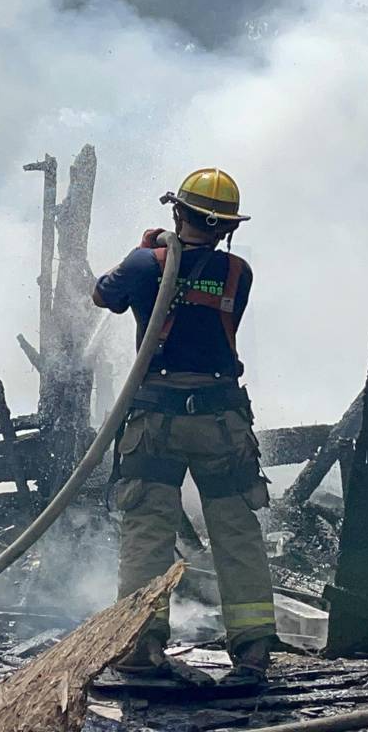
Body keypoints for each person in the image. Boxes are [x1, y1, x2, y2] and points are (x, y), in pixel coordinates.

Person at [92, 168, 276, 685]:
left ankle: (139, 648)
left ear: (179, 212)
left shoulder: (143, 263)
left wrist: (145, 250)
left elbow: (103, 296)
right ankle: (255, 651)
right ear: (225, 227)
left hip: (155, 421)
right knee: (236, 529)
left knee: (148, 530)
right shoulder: (239, 272)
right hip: (221, 422)